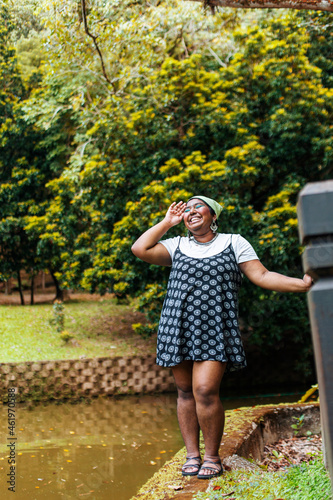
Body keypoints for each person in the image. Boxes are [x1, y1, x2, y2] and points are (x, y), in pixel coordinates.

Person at [131, 196, 312, 479]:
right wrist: (168, 222)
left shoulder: (233, 242)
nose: (190, 212)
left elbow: (262, 275)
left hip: (214, 328)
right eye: (186, 209)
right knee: (184, 391)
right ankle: (192, 454)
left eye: (197, 206)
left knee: (204, 390)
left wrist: (300, 285)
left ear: (213, 215)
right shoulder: (177, 245)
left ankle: (212, 456)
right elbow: (140, 248)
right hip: (176, 327)